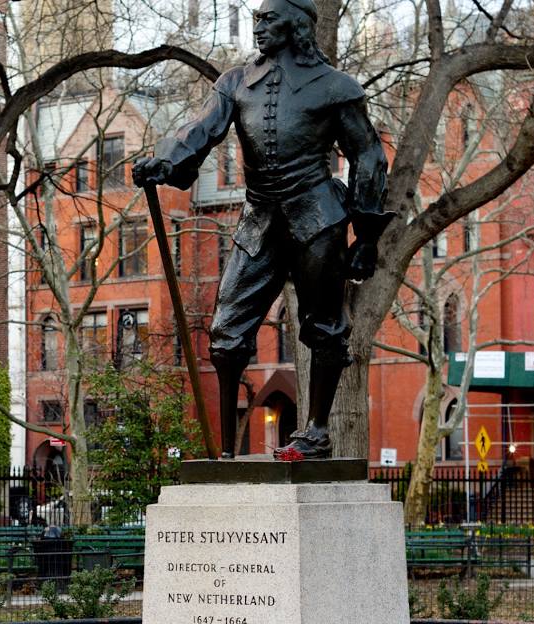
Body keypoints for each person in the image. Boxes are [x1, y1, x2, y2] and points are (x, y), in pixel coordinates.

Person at [132, 0, 393, 459]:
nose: (258, 27)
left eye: (268, 19)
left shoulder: (335, 86)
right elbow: (201, 130)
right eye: (255, 19)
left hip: (317, 219)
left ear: (295, 24)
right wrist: (165, 162)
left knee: (324, 328)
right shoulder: (235, 82)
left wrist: (366, 236)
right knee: (226, 332)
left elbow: (368, 157)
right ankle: (226, 451)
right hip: (259, 223)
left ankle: (316, 432)